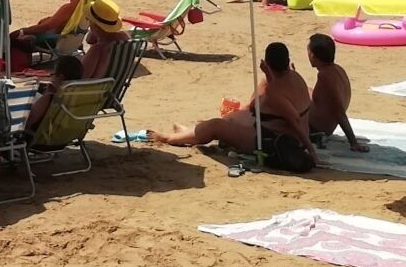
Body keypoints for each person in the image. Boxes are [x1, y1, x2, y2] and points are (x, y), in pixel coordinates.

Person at [150, 42, 316, 173]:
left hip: (275, 141)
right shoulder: (295, 76)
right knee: (233, 118)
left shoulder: (273, 89)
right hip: (279, 133)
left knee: (216, 125)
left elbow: (294, 119)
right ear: (287, 62)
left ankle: (169, 138)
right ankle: (189, 132)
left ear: (267, 63)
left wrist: (311, 151)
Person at [302, 34, 369, 152]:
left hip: (316, 129)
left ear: (312, 55)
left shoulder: (325, 76)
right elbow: (323, 98)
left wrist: (353, 142)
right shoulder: (338, 69)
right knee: (300, 89)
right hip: (320, 122)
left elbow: (339, 112)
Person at [8, 0, 86, 55]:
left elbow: (46, 27)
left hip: (59, 40)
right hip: (72, 40)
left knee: (20, 39)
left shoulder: (69, 7)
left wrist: (22, 31)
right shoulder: (84, 5)